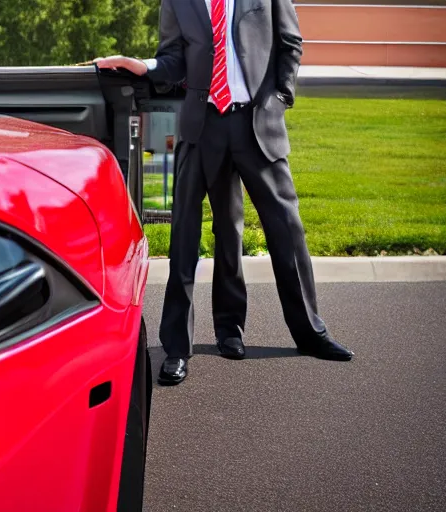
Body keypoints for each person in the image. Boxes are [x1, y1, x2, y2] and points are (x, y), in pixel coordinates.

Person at [95, 0, 354, 385]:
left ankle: (306, 333)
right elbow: (173, 62)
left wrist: (280, 97)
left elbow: (290, 42)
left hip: (257, 124)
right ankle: (177, 349)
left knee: (286, 227)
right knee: (185, 237)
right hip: (202, 126)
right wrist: (145, 66)